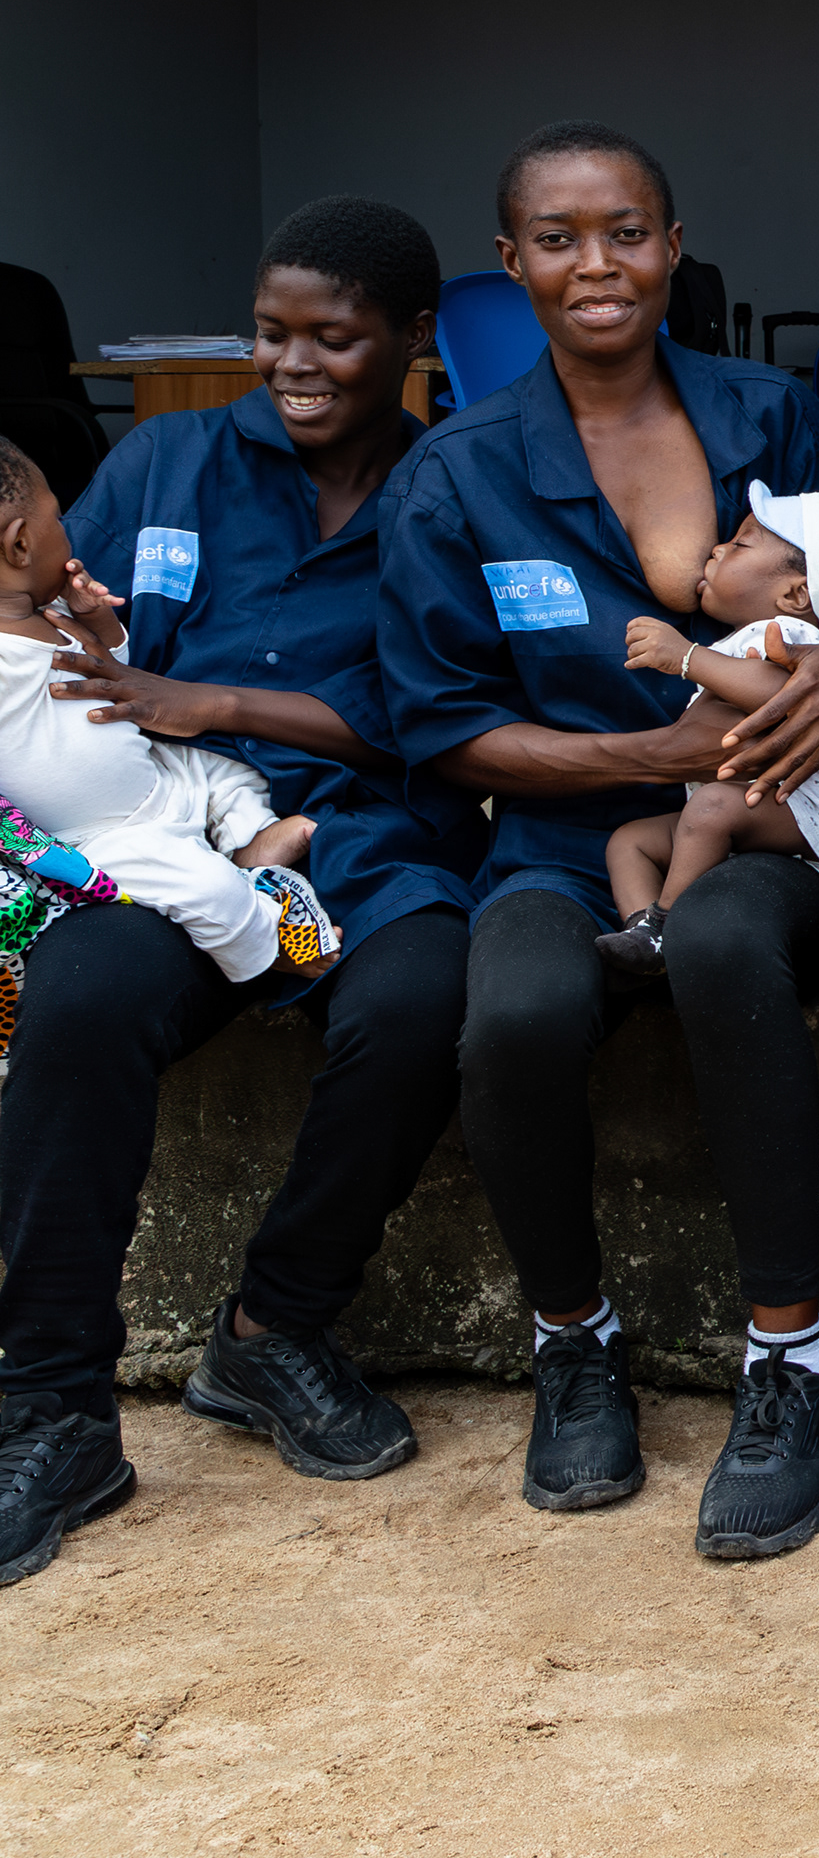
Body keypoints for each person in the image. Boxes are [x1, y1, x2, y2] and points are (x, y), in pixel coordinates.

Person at [378, 126, 819, 1559]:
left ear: (672, 247)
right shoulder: (458, 472)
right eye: (557, 237)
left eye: (625, 232)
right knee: (517, 1014)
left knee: (722, 946)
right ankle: (572, 1343)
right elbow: (442, 722)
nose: (594, 264)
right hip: (563, 832)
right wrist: (643, 757)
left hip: (768, 825)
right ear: (510, 263)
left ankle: (790, 1364)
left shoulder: (773, 417)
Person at [0, 197, 482, 1589]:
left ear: (410, 341)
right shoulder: (165, 458)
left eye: (334, 337)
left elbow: (450, 713)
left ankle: (274, 1332)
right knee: (79, 1004)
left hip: (359, 831)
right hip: (158, 830)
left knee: (422, 996)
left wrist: (204, 695)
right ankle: (54, 1413)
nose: (296, 364)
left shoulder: (450, 486)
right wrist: (81, 630)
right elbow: (45, 607)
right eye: (273, 334)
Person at [0, 472, 339, 981]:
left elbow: (112, 667)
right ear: (21, 544)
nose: (69, 534)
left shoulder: (51, 612)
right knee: (208, 890)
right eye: (59, 521)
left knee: (231, 770)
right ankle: (270, 943)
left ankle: (248, 843)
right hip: (100, 839)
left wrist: (100, 625)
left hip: (158, 775)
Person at [594, 484, 819, 978]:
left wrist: (686, 657)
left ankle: (665, 925)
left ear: (795, 594)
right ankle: (643, 932)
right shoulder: (740, 639)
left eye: (741, 544)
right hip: (750, 808)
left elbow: (778, 698)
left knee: (708, 808)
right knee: (629, 841)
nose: (718, 547)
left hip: (808, 814)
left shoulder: (791, 638)